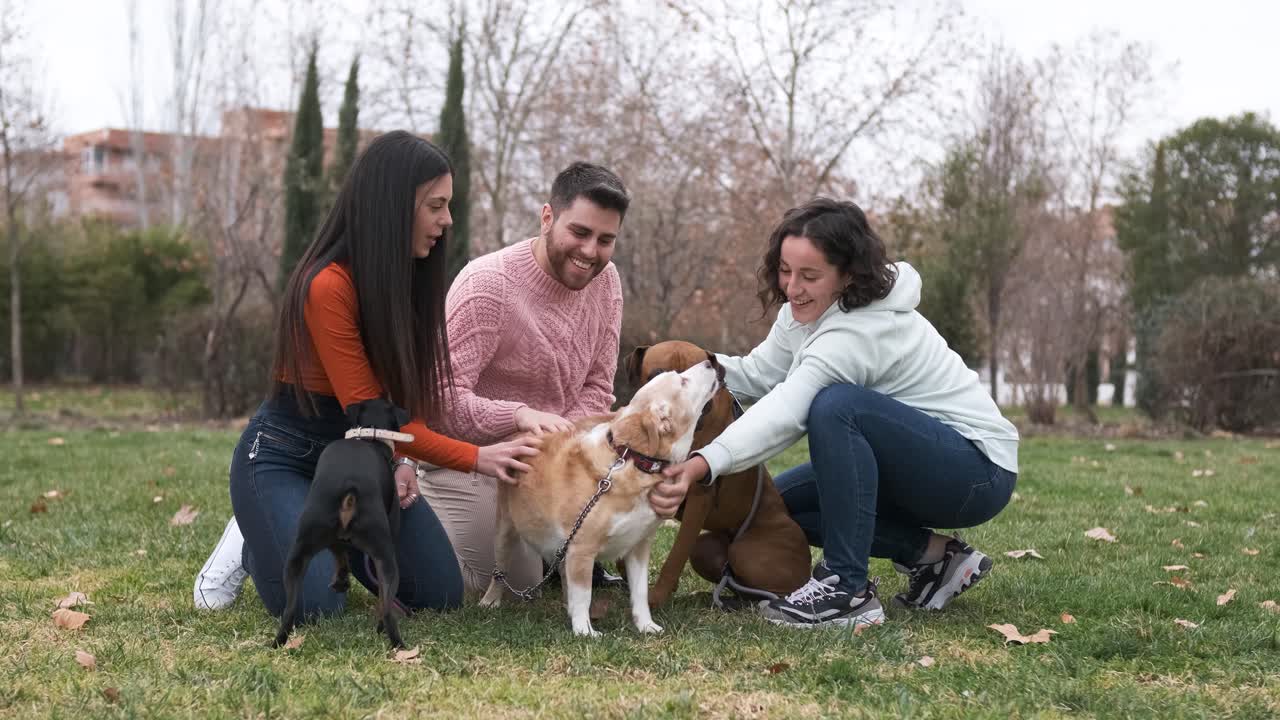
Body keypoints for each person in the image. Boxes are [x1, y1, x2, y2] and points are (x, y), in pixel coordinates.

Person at [193, 132, 539, 617]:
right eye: (435, 206)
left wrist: (401, 463)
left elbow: (404, 399)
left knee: (438, 593)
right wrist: (479, 457)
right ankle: (256, 537)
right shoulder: (327, 286)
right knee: (314, 607)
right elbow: (372, 415)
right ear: (393, 205)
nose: (447, 220)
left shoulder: (409, 279)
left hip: (360, 463)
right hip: (286, 457)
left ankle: (318, 525)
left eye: (448, 205)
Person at [655, 197, 1019, 629]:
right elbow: (759, 373)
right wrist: (691, 369)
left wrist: (703, 463)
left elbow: (789, 408)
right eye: (785, 271)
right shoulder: (805, 311)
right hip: (916, 460)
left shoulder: (860, 330)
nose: (792, 288)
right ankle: (936, 559)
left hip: (974, 472)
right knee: (779, 509)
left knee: (836, 407)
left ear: (848, 275)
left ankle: (848, 589)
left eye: (810, 276)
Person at [419, 161, 630, 597]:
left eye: (605, 240)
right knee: (515, 585)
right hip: (472, 458)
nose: (591, 251)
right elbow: (439, 402)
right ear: (548, 217)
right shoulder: (487, 285)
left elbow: (597, 387)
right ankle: (402, 528)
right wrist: (520, 416)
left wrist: (555, 442)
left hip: (552, 459)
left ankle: (551, 550)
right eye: (580, 233)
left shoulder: (607, 283)